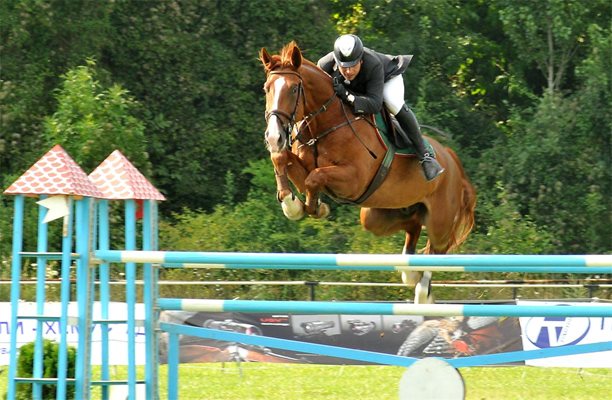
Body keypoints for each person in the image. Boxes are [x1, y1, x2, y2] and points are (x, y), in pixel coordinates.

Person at [317, 34, 444, 181]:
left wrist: (346, 95)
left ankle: (425, 156)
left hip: (386, 78)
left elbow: (375, 104)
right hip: (360, 88)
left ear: (361, 60)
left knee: (392, 102)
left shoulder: (373, 64)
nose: (349, 72)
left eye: (353, 66)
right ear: (336, 61)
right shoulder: (324, 65)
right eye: (344, 67)